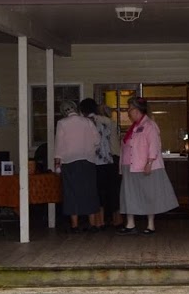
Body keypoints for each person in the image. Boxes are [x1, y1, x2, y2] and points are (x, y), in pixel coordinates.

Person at [118, 97, 178, 234]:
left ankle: (150, 225)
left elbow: (154, 145)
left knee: (149, 195)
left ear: (137, 110)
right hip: (130, 166)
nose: (128, 112)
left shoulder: (149, 125)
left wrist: (149, 162)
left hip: (144, 166)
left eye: (130, 109)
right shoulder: (133, 128)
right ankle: (130, 224)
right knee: (130, 195)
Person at [53, 101, 101, 232]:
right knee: (89, 191)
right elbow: (97, 140)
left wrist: (57, 163)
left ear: (64, 112)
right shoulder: (87, 122)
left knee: (71, 192)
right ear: (76, 109)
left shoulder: (62, 123)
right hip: (88, 160)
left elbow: (59, 144)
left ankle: (75, 225)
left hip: (70, 162)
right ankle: (92, 224)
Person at [87, 99, 122, 229]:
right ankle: (116, 219)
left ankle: (100, 220)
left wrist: (92, 116)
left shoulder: (102, 124)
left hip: (105, 159)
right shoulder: (111, 124)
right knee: (113, 190)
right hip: (114, 158)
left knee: (101, 190)